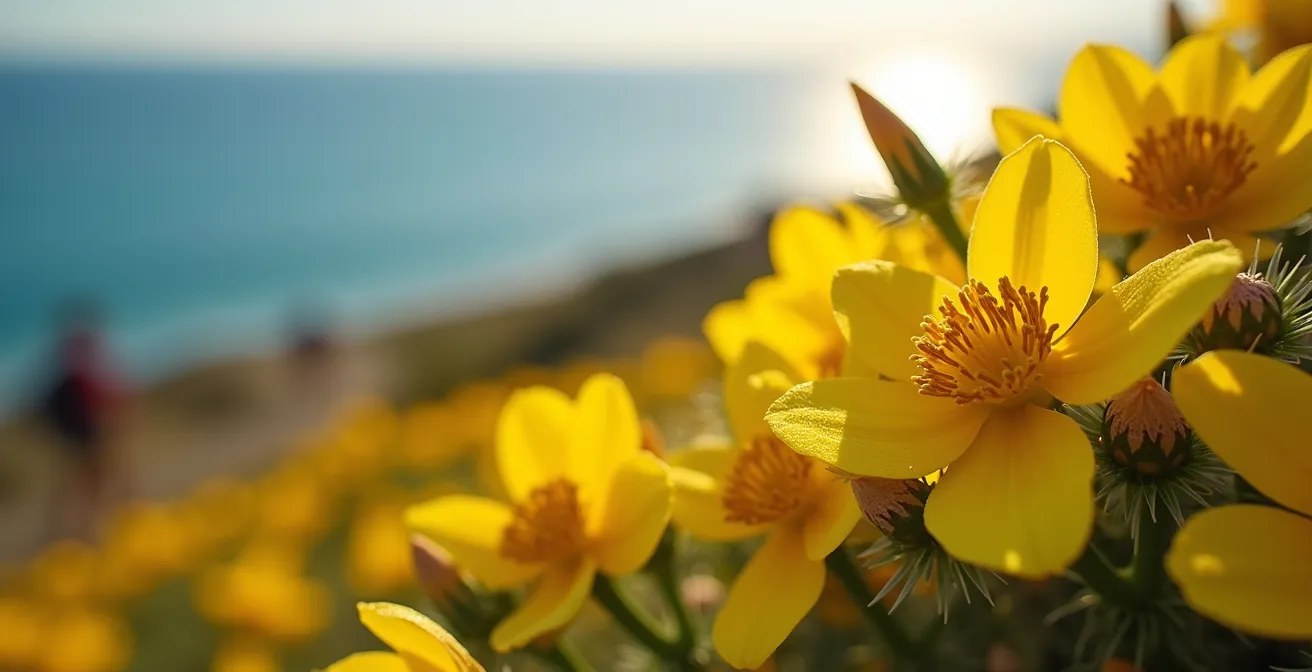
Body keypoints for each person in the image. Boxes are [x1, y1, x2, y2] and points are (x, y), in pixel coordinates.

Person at [39, 304, 127, 541]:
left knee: (92, 485)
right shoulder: (77, 375)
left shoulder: (72, 372)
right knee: (91, 485)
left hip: (86, 436)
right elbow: (102, 399)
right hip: (86, 437)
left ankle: (82, 533)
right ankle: (85, 533)